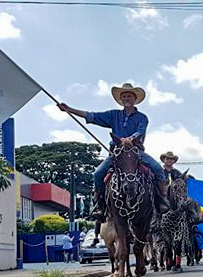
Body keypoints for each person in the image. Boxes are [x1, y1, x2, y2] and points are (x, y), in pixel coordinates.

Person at [58, 83, 168, 221]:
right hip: (117, 152)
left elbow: (140, 132)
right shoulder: (113, 115)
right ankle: (100, 206)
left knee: (158, 169)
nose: (126, 98)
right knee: (98, 173)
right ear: (121, 100)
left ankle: (162, 200)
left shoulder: (142, 117)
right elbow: (92, 116)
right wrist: (70, 110)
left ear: (135, 99)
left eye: (129, 96)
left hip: (135, 151)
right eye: (124, 96)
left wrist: (129, 139)